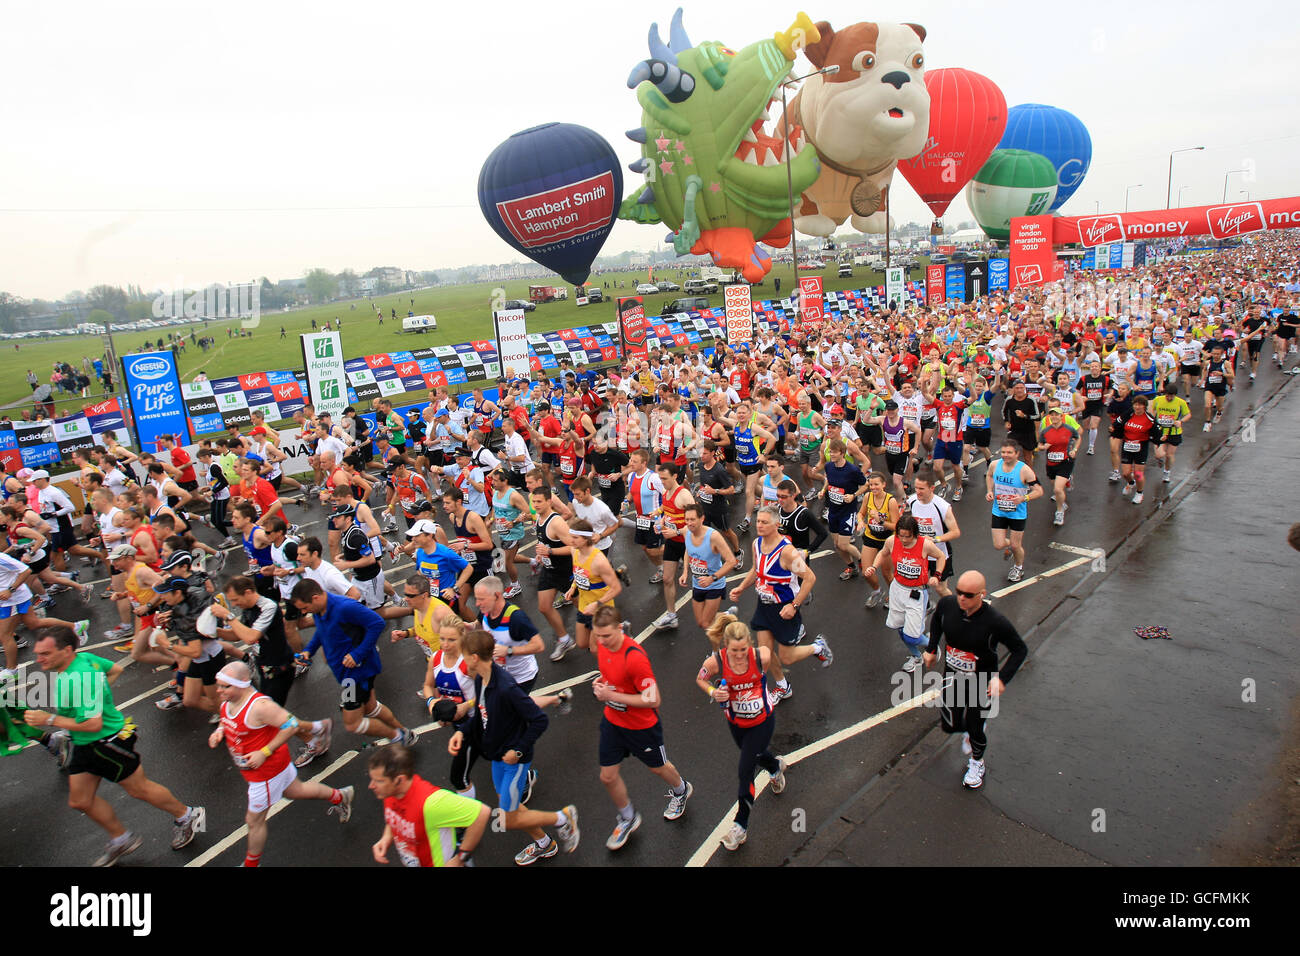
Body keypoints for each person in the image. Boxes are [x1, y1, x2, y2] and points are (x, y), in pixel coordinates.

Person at [24, 626, 206, 866]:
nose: (39, 659)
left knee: (138, 789)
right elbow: (116, 669)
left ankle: (187, 816)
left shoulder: (80, 678)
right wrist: (99, 698)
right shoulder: (82, 659)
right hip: (84, 743)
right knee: (81, 800)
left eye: (45, 653)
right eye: (38, 653)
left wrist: (47, 720)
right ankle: (121, 839)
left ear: (67, 650)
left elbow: (91, 724)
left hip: (106, 742)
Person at [449, 627, 580, 866]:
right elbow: (480, 716)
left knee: (507, 818)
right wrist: (463, 734)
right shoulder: (481, 681)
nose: (461, 660)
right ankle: (544, 844)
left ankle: (563, 817)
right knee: (513, 808)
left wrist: (518, 751)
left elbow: (539, 720)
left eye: (463, 655)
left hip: (515, 760)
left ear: (475, 657)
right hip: (497, 756)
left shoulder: (506, 688)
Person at [210, 662, 354, 867]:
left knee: (254, 822)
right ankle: (341, 796)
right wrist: (219, 732)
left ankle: (251, 865)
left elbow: (292, 725)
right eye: (219, 686)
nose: (219, 691)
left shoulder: (260, 706)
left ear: (242, 683)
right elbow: (226, 719)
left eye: (225, 687)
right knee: (297, 790)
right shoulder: (228, 700)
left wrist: (264, 752)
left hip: (266, 773)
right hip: (265, 770)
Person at [590, 605, 693, 850]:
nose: (601, 641)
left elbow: (653, 699)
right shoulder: (603, 647)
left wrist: (611, 695)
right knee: (607, 776)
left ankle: (681, 790)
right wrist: (603, 683)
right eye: (597, 636)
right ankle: (628, 817)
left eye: (606, 635)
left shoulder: (634, 658)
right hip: (613, 723)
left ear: (619, 628)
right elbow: (611, 677)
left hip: (641, 727)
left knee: (658, 769)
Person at [923, 570, 1028, 789]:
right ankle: (970, 732)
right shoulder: (948, 605)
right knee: (949, 724)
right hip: (953, 676)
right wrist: (931, 649)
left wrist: (1001, 679)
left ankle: (977, 762)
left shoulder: (995, 622)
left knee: (974, 725)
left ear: (982, 594)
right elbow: (937, 623)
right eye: (960, 592)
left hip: (982, 682)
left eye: (969, 595)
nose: (962, 597)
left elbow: (1020, 650)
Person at [696, 613, 786, 851]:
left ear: (750, 644)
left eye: (743, 649)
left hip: (762, 722)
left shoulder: (761, 657)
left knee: (745, 771)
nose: (739, 655)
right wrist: (713, 693)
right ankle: (775, 767)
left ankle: (740, 827)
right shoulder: (715, 662)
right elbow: (700, 679)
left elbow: (770, 665)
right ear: (726, 646)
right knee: (757, 756)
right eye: (734, 650)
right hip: (736, 724)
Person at [290, 580, 418, 746]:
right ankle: (405, 733)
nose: (304, 613)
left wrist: (357, 654)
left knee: (352, 723)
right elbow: (321, 632)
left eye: (304, 608)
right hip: (345, 672)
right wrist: (309, 651)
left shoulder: (345, 607)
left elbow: (377, 623)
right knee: (371, 707)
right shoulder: (319, 610)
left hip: (356, 674)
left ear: (315, 598)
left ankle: (396, 735)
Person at [728, 507, 832, 702]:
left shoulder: (788, 553)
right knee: (764, 654)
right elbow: (755, 569)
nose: (759, 525)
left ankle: (817, 647)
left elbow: (810, 578)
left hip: (785, 608)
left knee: (787, 657)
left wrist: (794, 606)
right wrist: (741, 587)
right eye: (758, 521)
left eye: (764, 522)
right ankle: (783, 687)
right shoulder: (756, 544)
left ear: (777, 525)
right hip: (764, 606)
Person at [368, 743, 490, 867]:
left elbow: (482, 813)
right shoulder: (389, 793)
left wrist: (459, 859)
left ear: (400, 780)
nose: (371, 786)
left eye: (379, 781)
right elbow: (395, 816)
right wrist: (386, 838)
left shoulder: (430, 803)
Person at [865, 514, 946, 674]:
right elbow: (883, 553)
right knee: (900, 629)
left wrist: (937, 576)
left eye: (907, 537)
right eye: (900, 535)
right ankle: (916, 656)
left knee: (912, 636)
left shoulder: (924, 545)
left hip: (916, 593)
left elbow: (940, 556)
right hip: (897, 589)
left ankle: (932, 645)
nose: (903, 540)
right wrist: (874, 567)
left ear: (915, 534)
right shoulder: (892, 541)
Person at [986, 440, 1042, 583]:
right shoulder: (994, 465)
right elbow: (990, 475)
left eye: (1009, 452)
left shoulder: (1024, 470)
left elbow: (1039, 491)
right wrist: (989, 491)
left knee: (1016, 545)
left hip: (1017, 513)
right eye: (1003, 452)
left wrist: (1024, 498)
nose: (1006, 455)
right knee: (998, 544)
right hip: (999, 511)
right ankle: (1011, 546)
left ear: (1017, 454)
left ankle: (1018, 567)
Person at [565, 518, 624, 654]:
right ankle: (618, 633)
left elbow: (616, 588)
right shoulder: (574, 551)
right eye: (571, 537)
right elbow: (579, 572)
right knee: (581, 643)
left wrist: (596, 604)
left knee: (594, 648)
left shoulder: (599, 561)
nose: (571, 540)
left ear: (586, 539)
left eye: (575, 537)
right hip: (584, 606)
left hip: (601, 610)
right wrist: (573, 587)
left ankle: (608, 670)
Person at [531, 488, 576, 658]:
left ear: (549, 502)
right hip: (549, 570)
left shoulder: (556, 522)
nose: (535, 505)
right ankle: (564, 640)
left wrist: (549, 552)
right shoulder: (538, 518)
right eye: (534, 502)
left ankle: (617, 628)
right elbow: (544, 542)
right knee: (543, 607)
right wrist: (540, 554)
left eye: (539, 502)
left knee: (585, 610)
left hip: (566, 572)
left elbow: (573, 547)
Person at [680, 502, 738, 632]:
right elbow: (688, 550)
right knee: (700, 622)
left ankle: (717, 651)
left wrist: (712, 578)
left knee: (706, 623)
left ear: (702, 519)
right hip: (697, 584)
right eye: (687, 519)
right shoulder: (686, 531)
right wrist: (685, 572)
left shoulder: (713, 537)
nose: (689, 523)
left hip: (714, 585)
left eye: (693, 520)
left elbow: (731, 561)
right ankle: (726, 616)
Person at [857, 471, 901, 608]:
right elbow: (861, 513)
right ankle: (877, 591)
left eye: (876, 484)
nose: (873, 487)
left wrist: (880, 520)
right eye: (871, 485)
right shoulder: (868, 496)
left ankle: (895, 596)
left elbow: (896, 526)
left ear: (883, 485)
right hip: (871, 537)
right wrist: (860, 522)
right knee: (866, 572)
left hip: (887, 541)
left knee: (887, 573)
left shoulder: (891, 501)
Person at [1036, 406, 1081, 526]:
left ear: (1062, 416)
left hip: (1065, 461)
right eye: (1052, 415)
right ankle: (1064, 494)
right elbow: (1039, 445)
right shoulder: (1046, 431)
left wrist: (1074, 449)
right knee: (1055, 486)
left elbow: (1078, 438)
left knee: (1057, 489)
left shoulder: (1069, 429)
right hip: (1051, 463)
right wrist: (1043, 447)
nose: (1054, 417)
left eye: (1057, 415)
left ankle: (1060, 512)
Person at [1114, 393, 1159, 505]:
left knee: (1138, 473)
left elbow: (1157, 433)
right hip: (1127, 446)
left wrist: (1159, 440)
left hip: (1141, 447)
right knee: (1125, 473)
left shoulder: (1149, 419)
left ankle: (1139, 493)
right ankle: (1131, 482)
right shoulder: (1128, 414)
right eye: (1135, 405)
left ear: (1144, 406)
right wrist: (1114, 430)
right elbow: (1118, 423)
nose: (1137, 407)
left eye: (1139, 405)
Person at [1151, 381, 1193, 482]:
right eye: (1167, 396)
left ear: (1175, 395)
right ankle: (1160, 459)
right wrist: (1153, 421)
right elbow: (1152, 411)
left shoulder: (1180, 402)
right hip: (1160, 431)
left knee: (1170, 455)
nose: (1169, 398)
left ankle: (1167, 472)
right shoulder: (1157, 400)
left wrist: (1180, 421)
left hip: (1174, 432)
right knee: (1159, 454)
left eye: (1171, 397)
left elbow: (1188, 415)